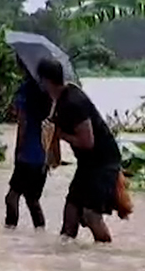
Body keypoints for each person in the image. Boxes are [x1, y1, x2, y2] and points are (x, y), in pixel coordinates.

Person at [37, 57, 121, 243]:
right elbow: (55, 158)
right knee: (71, 212)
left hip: (103, 163)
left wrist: (59, 134)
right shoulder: (57, 103)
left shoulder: (74, 101)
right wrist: (49, 136)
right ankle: (66, 263)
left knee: (91, 215)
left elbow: (87, 142)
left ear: (45, 81)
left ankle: (107, 254)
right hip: (87, 164)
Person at [5, 63, 52, 229]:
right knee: (32, 200)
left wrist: (18, 150)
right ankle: (40, 233)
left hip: (27, 154)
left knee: (12, 197)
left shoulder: (25, 90)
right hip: (43, 156)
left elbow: (22, 122)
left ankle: (9, 233)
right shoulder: (48, 92)